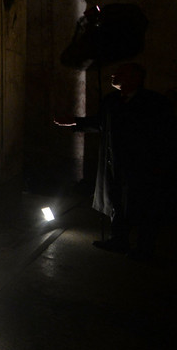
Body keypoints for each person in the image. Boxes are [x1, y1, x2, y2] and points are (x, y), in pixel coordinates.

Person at [55, 62, 174, 259]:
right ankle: (119, 240)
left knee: (144, 206)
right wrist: (76, 121)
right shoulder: (112, 100)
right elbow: (101, 123)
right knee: (116, 202)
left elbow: (164, 134)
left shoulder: (154, 102)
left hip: (143, 165)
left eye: (121, 73)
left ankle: (144, 248)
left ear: (135, 78)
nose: (113, 75)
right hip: (115, 163)